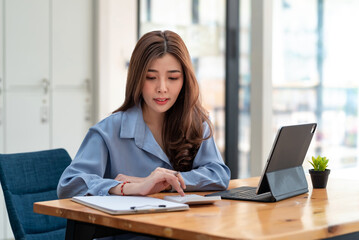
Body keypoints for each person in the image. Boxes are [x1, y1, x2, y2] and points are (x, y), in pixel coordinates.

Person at [57, 30, 230, 199]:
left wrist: (166, 181)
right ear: (138, 79)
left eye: (173, 78)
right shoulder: (108, 131)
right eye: (151, 77)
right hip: (129, 226)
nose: (162, 87)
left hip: (183, 223)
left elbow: (219, 174)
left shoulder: (197, 123)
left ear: (185, 80)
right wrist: (131, 187)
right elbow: (69, 185)